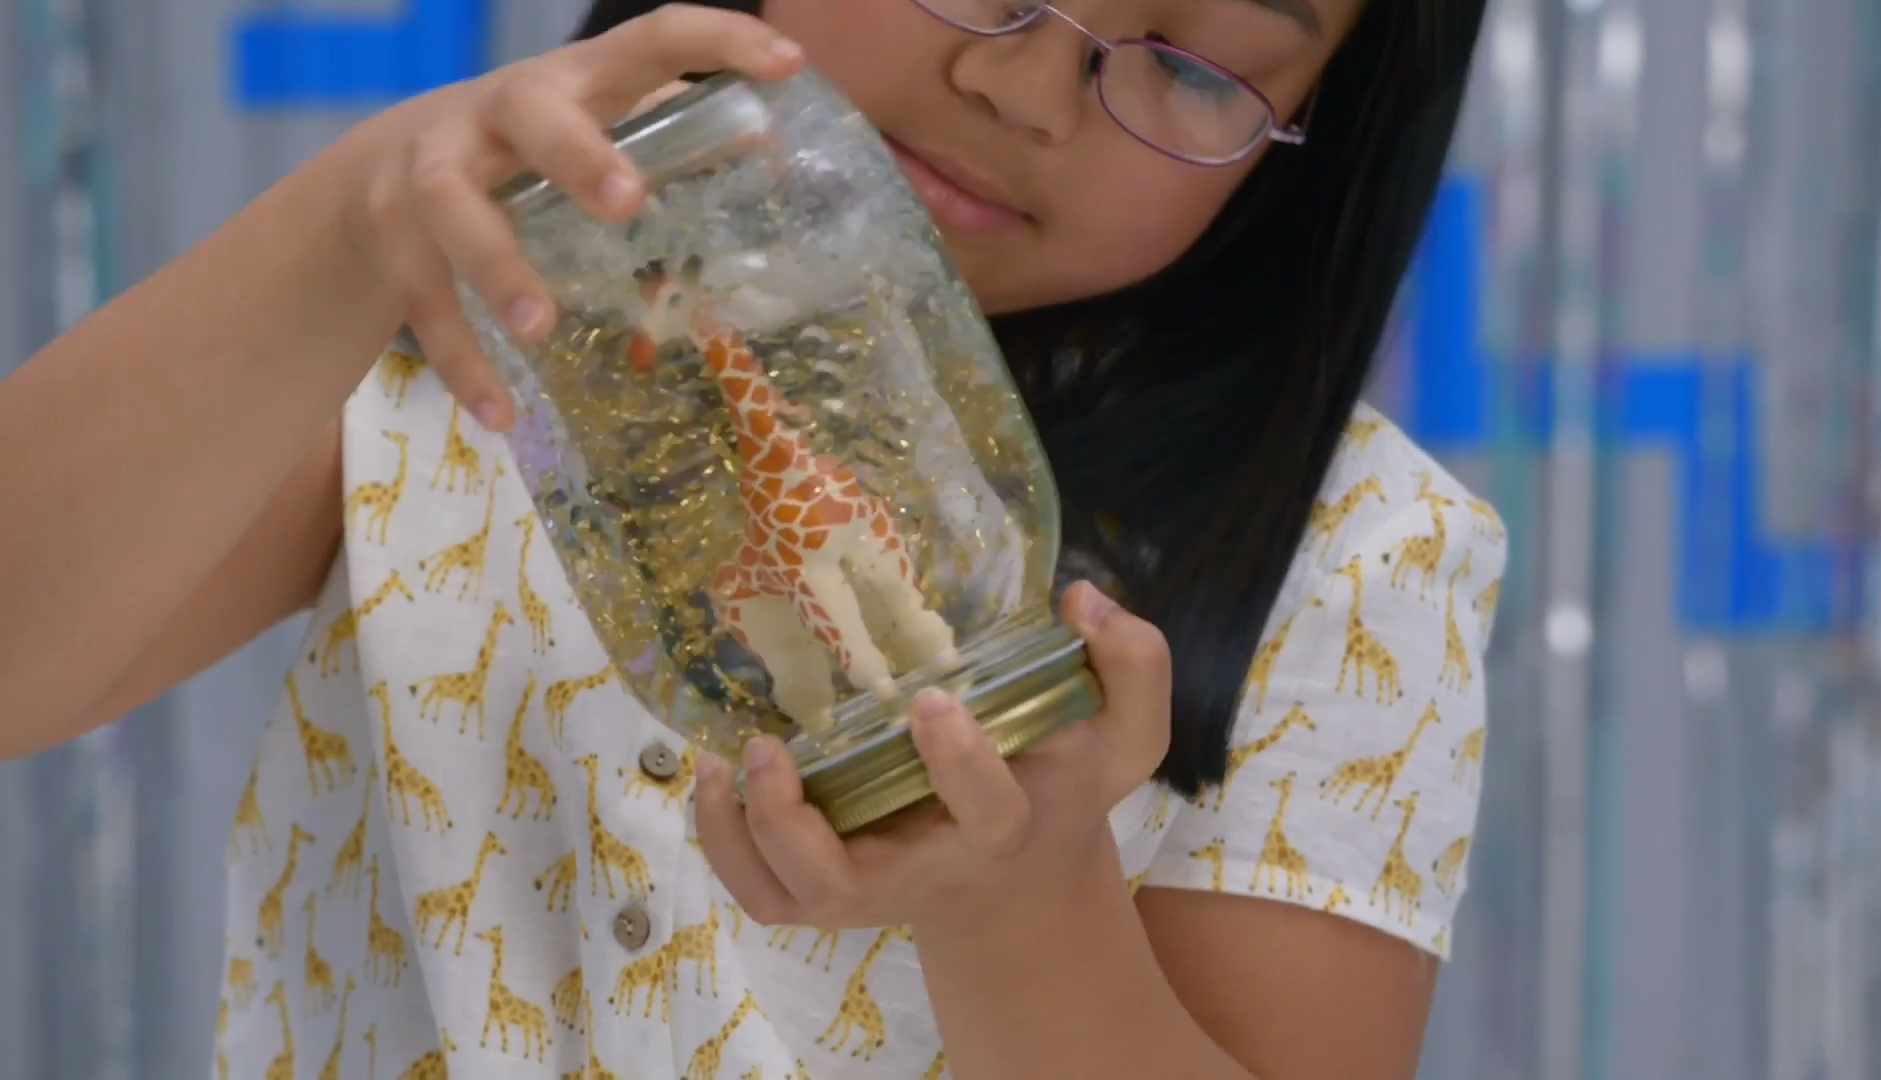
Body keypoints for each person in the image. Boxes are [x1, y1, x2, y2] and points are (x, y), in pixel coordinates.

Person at [0, 0, 1504, 1076]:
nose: (1027, 84)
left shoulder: (1363, 561)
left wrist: (1021, 909)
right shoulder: (449, 327)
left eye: (1185, 68)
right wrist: (346, 223)